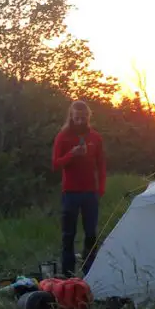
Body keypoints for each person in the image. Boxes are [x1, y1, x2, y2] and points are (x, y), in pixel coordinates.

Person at [51, 99, 106, 278]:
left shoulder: (95, 137)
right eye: (76, 118)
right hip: (70, 193)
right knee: (68, 234)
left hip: (90, 193)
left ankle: (89, 271)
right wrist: (71, 155)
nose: (80, 121)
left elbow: (101, 164)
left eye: (83, 118)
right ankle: (67, 273)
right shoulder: (63, 136)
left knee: (91, 233)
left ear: (88, 117)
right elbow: (55, 164)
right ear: (71, 117)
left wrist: (101, 189)